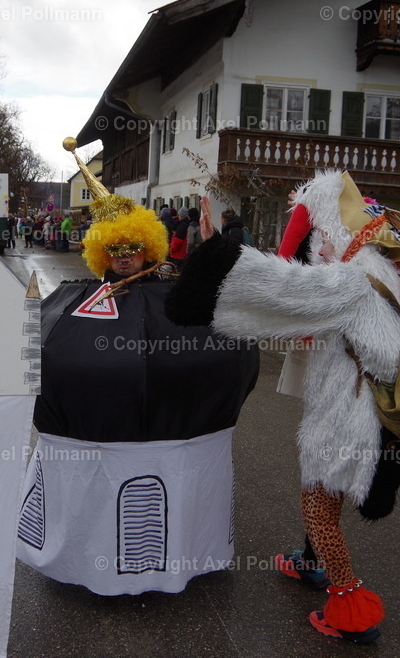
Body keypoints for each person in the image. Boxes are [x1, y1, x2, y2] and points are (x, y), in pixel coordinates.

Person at [167, 171, 400, 644]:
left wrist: (217, 252)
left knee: (319, 508)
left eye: (322, 236)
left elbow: (279, 285)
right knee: (329, 494)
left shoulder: (351, 281)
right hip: (371, 417)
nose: (318, 247)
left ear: (340, 234)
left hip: (350, 420)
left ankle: (351, 608)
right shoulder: (385, 273)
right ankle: (309, 562)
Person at [15, 138, 259, 596]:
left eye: (133, 246)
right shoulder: (75, 300)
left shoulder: (180, 294)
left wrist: (213, 256)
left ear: (149, 246)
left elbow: (229, 323)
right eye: (116, 249)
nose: (125, 255)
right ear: (101, 252)